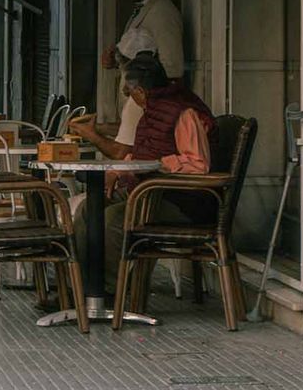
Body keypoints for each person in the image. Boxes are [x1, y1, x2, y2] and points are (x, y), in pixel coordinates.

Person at [69, 52, 215, 283]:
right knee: (87, 210)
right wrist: (116, 173)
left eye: (129, 92)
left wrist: (160, 165)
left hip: (178, 200)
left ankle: (109, 290)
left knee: (112, 219)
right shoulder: (150, 112)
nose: (129, 97)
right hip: (146, 192)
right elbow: (140, 154)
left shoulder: (183, 113)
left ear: (140, 92)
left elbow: (198, 163)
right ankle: (77, 287)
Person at [101, 0, 184, 150]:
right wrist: (116, 60)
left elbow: (173, 68)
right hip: (135, 101)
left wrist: (151, 106)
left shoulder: (162, 12)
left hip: (149, 106)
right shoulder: (142, 9)